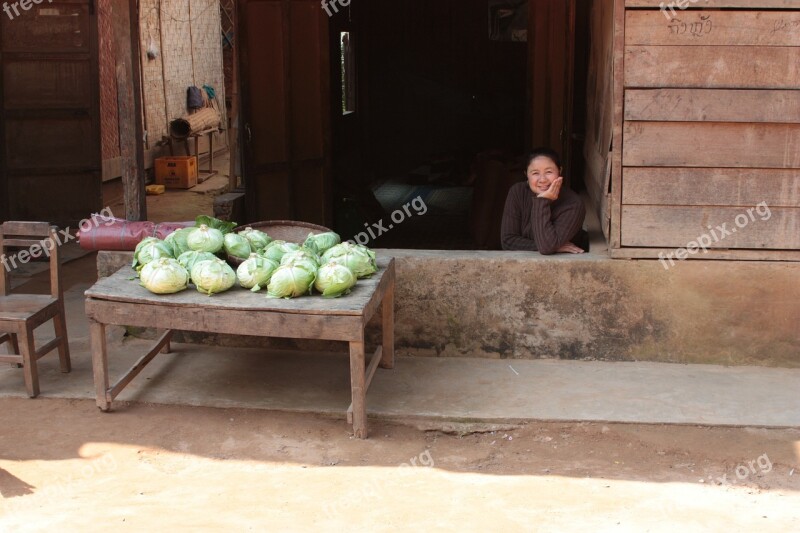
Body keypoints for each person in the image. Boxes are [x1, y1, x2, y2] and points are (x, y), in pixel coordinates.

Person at [500, 148, 587, 254]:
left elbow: (546, 247)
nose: (542, 179)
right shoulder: (518, 192)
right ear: (526, 174)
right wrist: (553, 246)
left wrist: (542, 201)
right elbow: (508, 241)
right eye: (535, 173)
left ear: (560, 171)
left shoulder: (573, 204)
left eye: (549, 172)